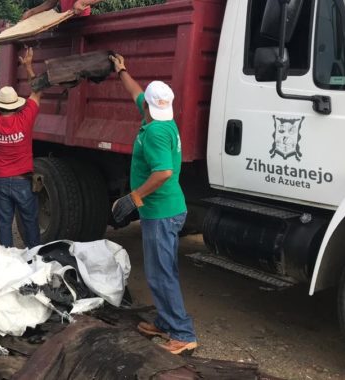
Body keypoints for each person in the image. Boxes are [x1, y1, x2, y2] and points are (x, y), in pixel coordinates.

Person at [108, 53, 198, 355]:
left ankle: (182, 333)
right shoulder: (159, 117)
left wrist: (134, 198)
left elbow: (163, 172)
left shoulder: (157, 131)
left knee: (161, 273)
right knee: (161, 269)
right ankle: (165, 321)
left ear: (149, 106)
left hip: (161, 211)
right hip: (163, 210)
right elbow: (136, 91)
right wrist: (122, 71)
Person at [0, 48, 41, 248]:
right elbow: (38, 89)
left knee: (4, 224)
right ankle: (35, 259)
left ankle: (6, 263)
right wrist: (29, 67)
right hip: (22, 180)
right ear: (16, 105)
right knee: (30, 222)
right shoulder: (26, 117)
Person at [21, 0, 104, 19]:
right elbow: (50, 3)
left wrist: (83, 2)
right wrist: (31, 12)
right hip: (65, 22)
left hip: (82, 22)